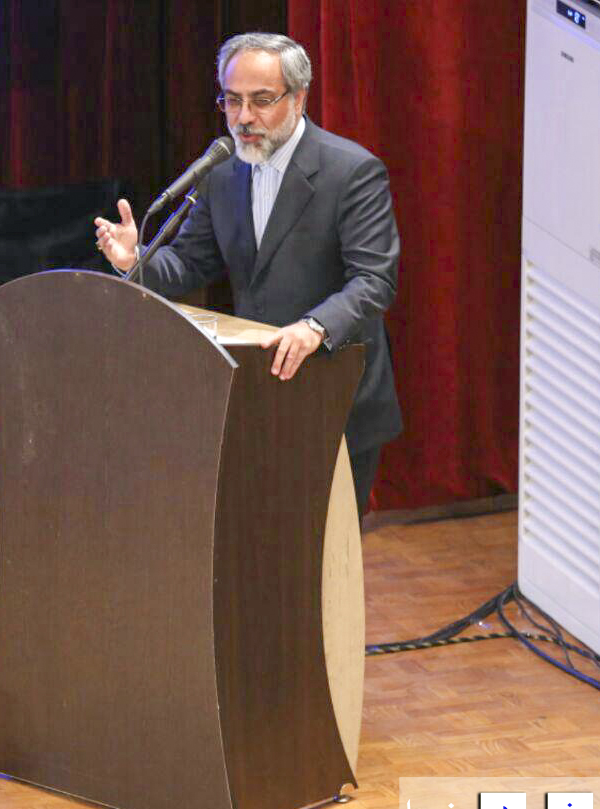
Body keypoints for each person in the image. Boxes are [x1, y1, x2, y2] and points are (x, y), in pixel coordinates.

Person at [94, 32, 401, 517]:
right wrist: (134, 261)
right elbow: (188, 263)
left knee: (324, 552)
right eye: (232, 101)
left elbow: (374, 280)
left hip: (334, 389)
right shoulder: (222, 170)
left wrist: (314, 326)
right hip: (256, 392)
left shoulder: (351, 172)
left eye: (261, 101)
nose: (243, 118)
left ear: (298, 98)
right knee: (257, 543)